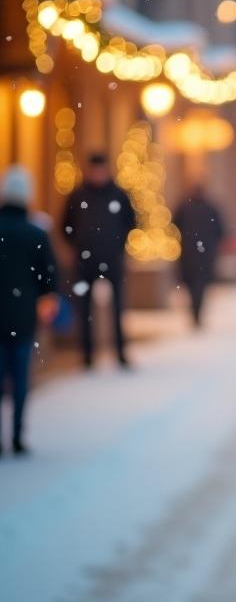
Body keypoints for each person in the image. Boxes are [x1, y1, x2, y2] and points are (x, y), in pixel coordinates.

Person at [0, 166, 58, 455]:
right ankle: (17, 435)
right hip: (23, 317)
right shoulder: (36, 233)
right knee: (20, 377)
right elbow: (49, 278)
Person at [61, 153, 136, 368]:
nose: (98, 174)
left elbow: (131, 222)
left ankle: (120, 352)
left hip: (112, 260)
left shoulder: (119, 195)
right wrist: (78, 245)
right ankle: (87, 354)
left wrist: (118, 245)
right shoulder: (77, 196)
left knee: (118, 308)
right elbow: (65, 225)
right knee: (84, 310)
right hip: (86, 262)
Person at [173, 183, 225, 326]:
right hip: (206, 254)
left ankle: (195, 313)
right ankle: (197, 313)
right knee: (200, 286)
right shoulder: (211, 209)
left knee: (192, 286)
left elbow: (174, 223)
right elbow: (221, 231)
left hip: (189, 253)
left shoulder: (184, 207)